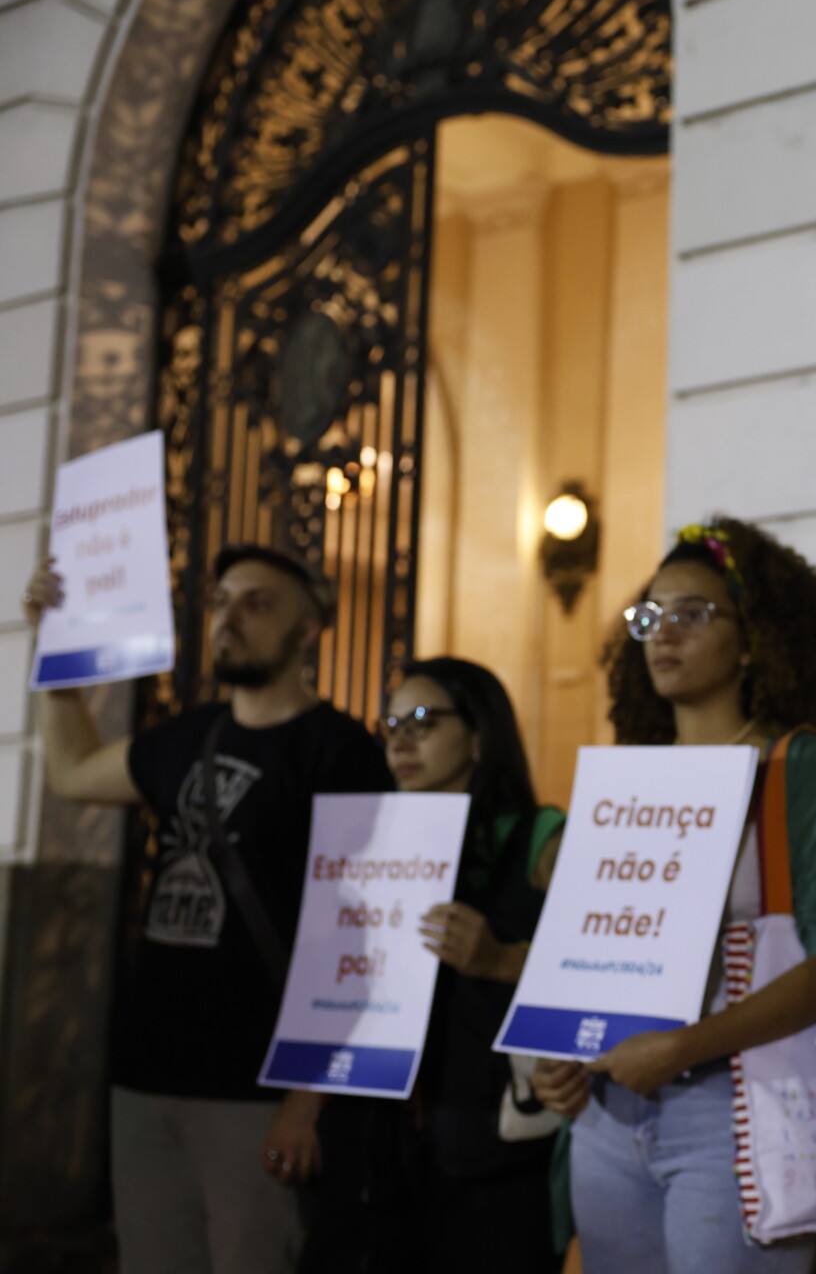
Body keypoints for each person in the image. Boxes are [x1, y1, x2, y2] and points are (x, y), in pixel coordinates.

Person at [22, 544, 393, 1274]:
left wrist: (305, 1100)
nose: (230, 618)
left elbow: (358, 933)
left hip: (256, 1089)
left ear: (308, 626)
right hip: (148, 1075)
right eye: (222, 600)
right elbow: (71, 773)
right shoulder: (187, 737)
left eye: (257, 603)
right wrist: (54, 651)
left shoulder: (342, 753)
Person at [529, 519, 816, 1273]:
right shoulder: (631, 778)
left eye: (693, 613)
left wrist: (684, 1046)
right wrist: (563, 1051)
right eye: (650, 615)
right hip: (608, 1112)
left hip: (735, 1108)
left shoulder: (795, 764)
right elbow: (591, 950)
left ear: (753, 641)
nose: (663, 633)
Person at [297, 657, 566, 1273]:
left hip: (492, 1156)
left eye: (421, 719)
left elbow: (600, 959)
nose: (400, 738)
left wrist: (501, 961)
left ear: (479, 734)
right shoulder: (366, 844)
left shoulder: (539, 837)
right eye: (389, 723)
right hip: (382, 1150)